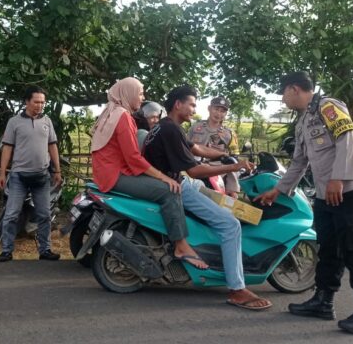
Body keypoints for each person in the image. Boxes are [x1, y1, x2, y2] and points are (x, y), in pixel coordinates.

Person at [255, 71, 353, 334]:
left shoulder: (329, 107)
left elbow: (347, 138)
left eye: (283, 93)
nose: (282, 98)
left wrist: (339, 177)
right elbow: (300, 162)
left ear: (294, 89)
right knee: (328, 249)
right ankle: (324, 300)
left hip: (350, 190)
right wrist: (278, 190)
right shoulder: (303, 121)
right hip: (326, 194)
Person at [142, 86, 272, 311]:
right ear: (178, 104)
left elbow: (197, 148)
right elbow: (194, 170)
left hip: (180, 182)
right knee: (230, 224)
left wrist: (223, 155)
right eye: (192, 104)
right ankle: (236, 288)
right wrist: (235, 166)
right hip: (180, 185)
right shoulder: (172, 130)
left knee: (232, 208)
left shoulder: (166, 126)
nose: (194, 109)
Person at [90, 77, 208, 270]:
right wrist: (163, 177)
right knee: (170, 190)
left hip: (108, 173)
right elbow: (133, 158)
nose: (142, 97)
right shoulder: (122, 116)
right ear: (127, 93)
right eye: (140, 93)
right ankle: (180, 245)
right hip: (116, 176)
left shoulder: (111, 112)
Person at [0, 86, 62, 262]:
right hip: (19, 177)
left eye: (43, 102)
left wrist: (57, 169)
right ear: (27, 101)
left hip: (41, 177)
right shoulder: (14, 122)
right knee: (11, 214)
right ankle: (7, 250)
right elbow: (7, 148)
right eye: (36, 102)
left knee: (45, 215)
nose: (40, 105)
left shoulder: (47, 121)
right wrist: (2, 173)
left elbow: (52, 145)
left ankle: (45, 250)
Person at [187, 96, 241, 198]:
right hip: (194, 171)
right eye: (216, 109)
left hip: (217, 177)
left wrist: (232, 188)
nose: (218, 113)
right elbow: (184, 149)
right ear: (209, 108)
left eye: (222, 111)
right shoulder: (195, 128)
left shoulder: (229, 134)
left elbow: (233, 161)